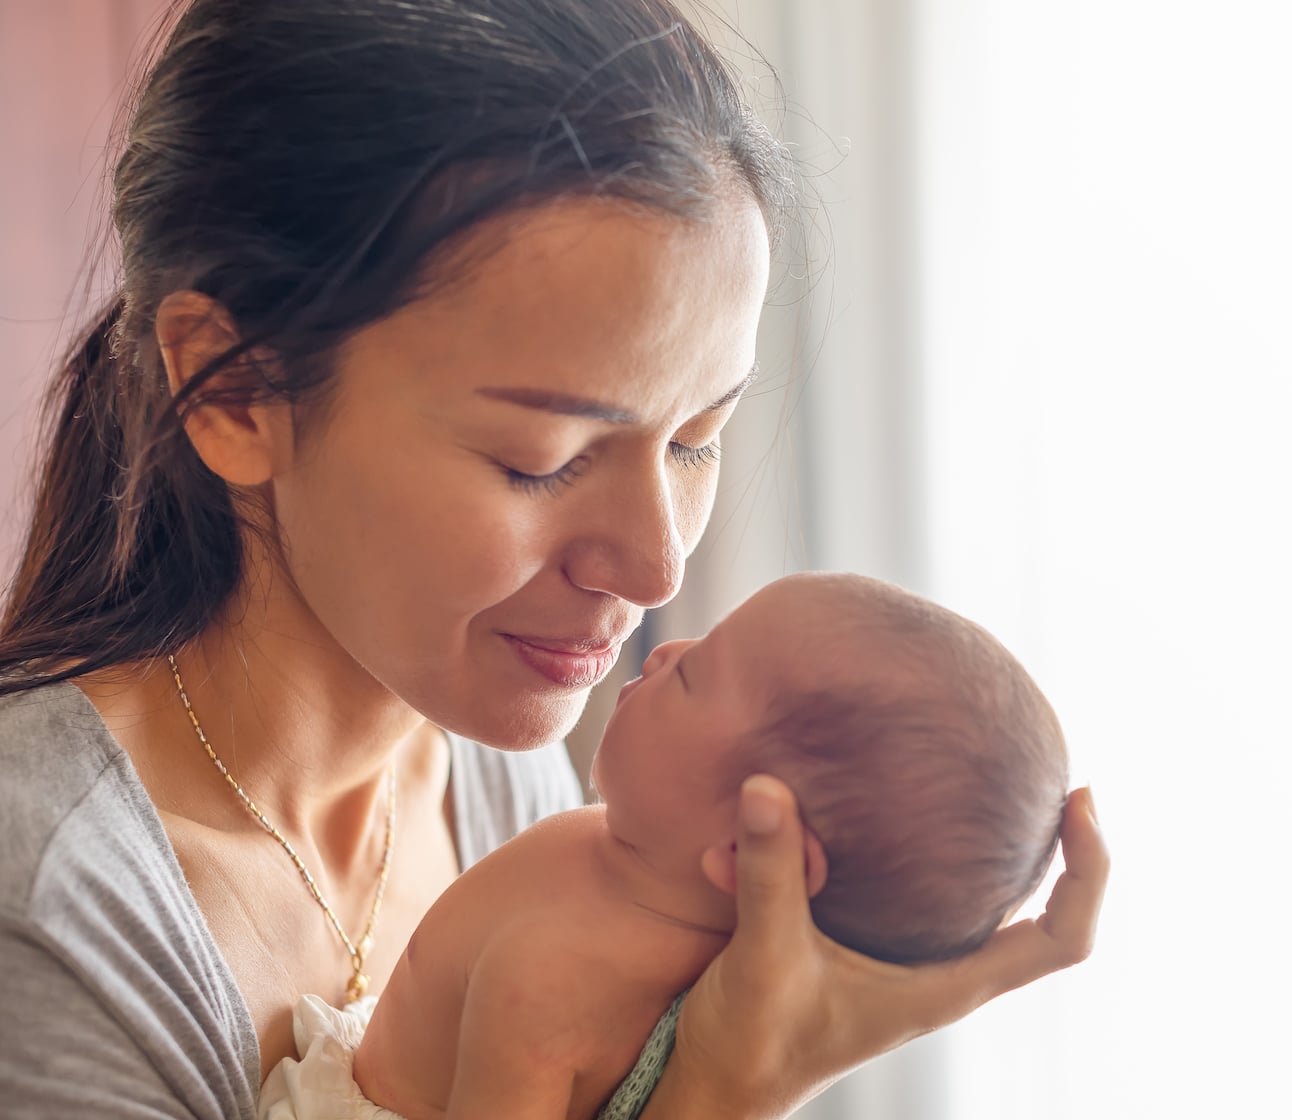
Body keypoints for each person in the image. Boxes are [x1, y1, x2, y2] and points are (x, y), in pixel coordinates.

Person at [0, 2, 1108, 1118]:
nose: (657, 567)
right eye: (544, 459)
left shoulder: (512, 776)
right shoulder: (48, 911)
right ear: (236, 388)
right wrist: (725, 1090)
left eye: (694, 440)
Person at [256, 571, 1070, 1120]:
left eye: (694, 676)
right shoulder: (656, 889)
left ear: (756, 849)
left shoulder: (552, 978)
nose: (668, 649)